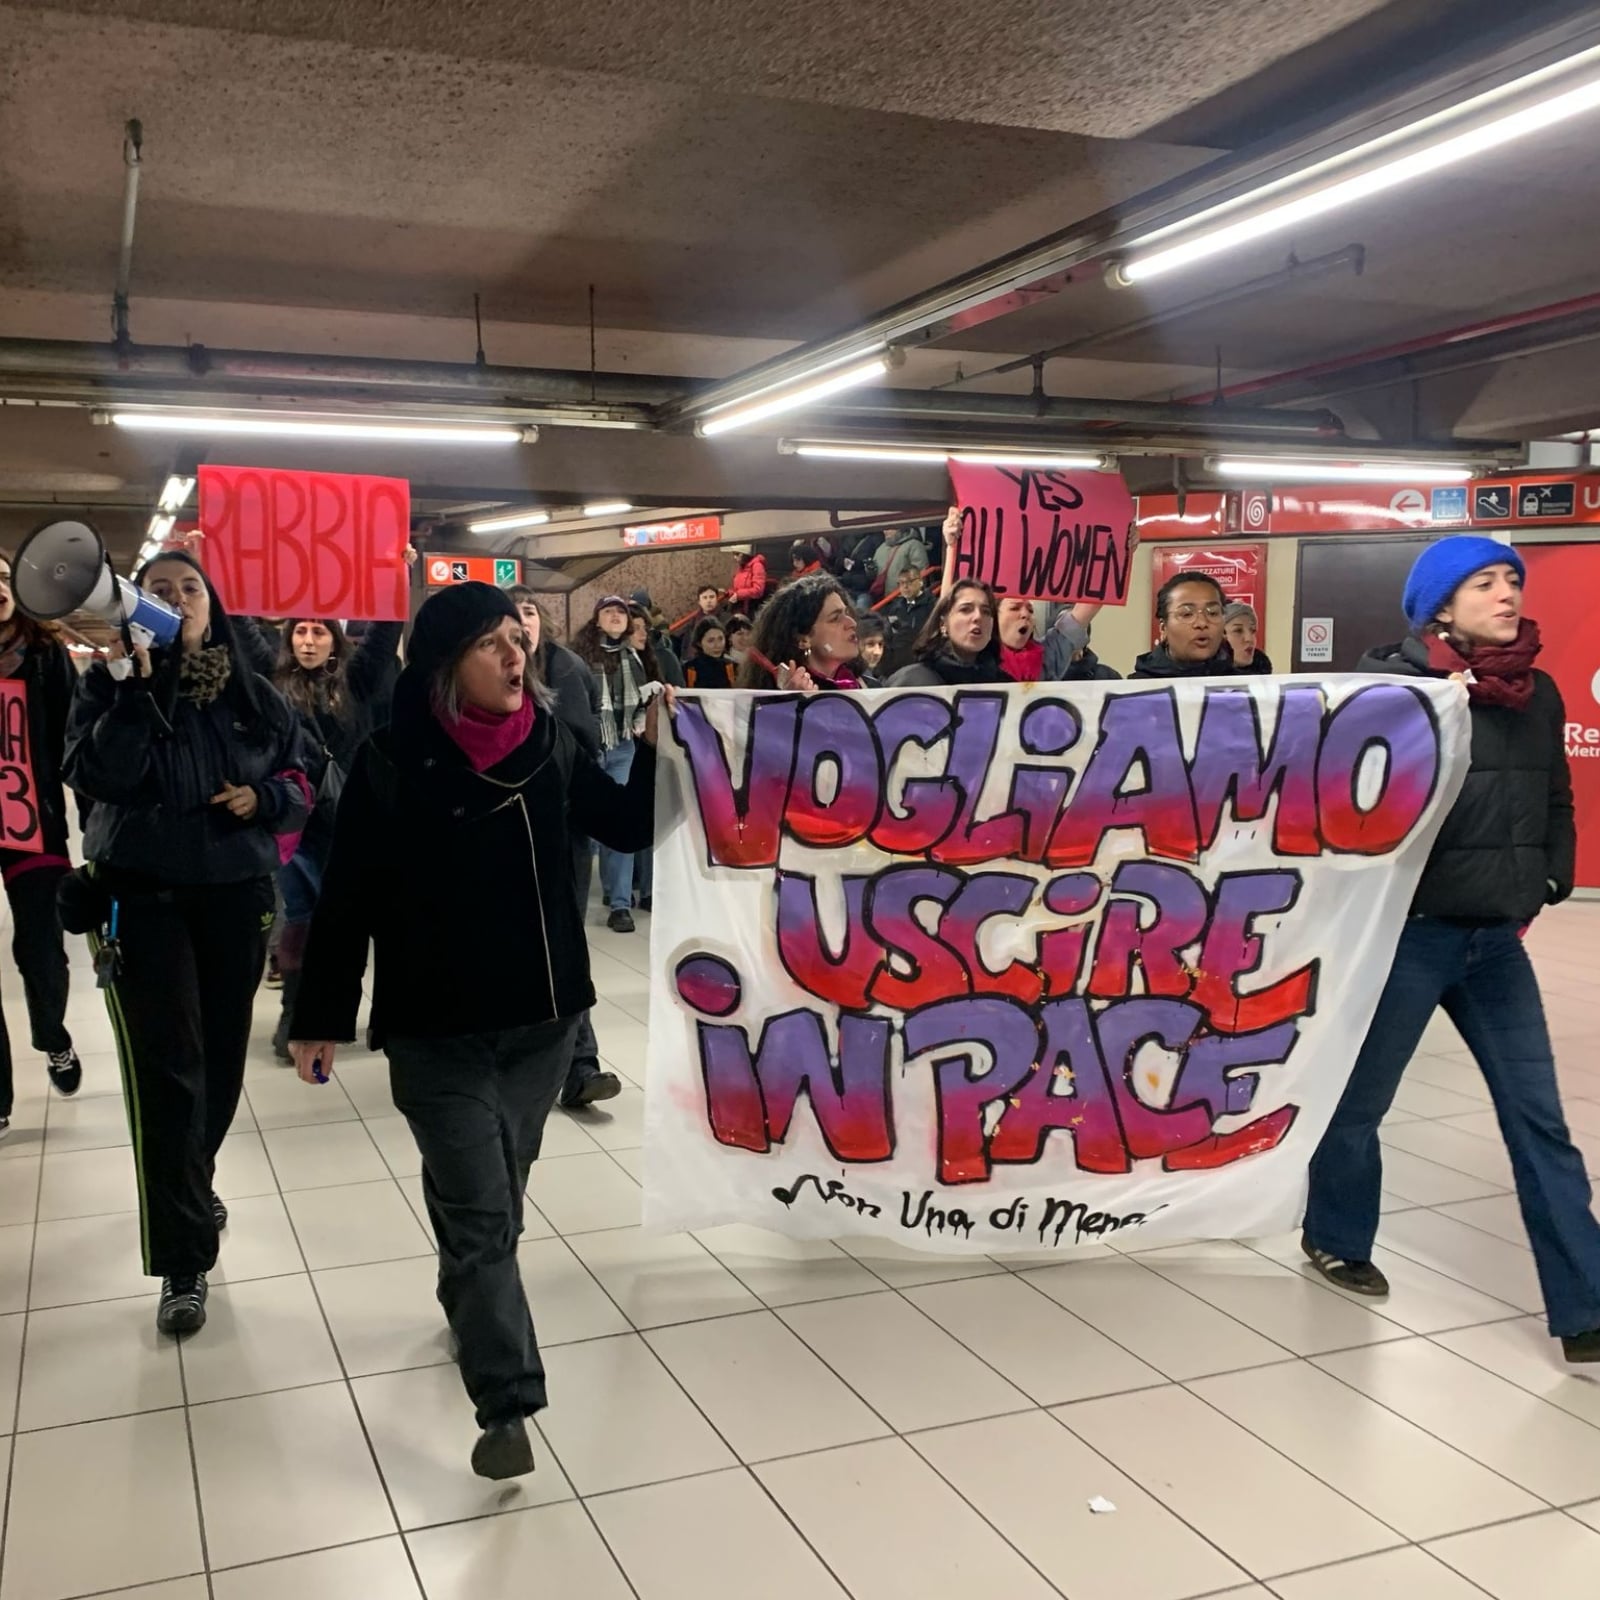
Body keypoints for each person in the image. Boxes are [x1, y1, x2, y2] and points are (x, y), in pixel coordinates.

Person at [289, 584, 664, 1477]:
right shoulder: (387, 760)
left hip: (541, 1022)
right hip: (435, 1029)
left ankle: (469, 1287)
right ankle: (506, 1403)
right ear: (444, 661)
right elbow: (345, 901)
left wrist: (653, 755)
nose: (516, 657)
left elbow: (626, 825)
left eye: (517, 640)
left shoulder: (550, 745)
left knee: (500, 1186)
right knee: (481, 1207)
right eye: (492, 644)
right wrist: (320, 1017)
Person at [1301, 537, 1600, 1364]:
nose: (1507, 593)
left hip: (1495, 945)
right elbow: (1344, 804)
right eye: (1484, 582)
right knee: (1360, 1106)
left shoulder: (1535, 692)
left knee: (1539, 1120)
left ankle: (1585, 1305)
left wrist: (1550, 873)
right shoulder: (1390, 691)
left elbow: (1553, 791)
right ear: (1439, 607)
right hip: (1408, 939)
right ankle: (1335, 1236)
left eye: (1512, 580)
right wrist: (1435, 710)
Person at [62, 550, 308, 1337]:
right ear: (135, 608)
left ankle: (192, 1183)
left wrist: (265, 796)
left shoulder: (252, 694)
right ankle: (182, 1259)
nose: (177, 600)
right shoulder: (105, 689)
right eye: (158, 591)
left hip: (236, 901)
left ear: (213, 605)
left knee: (221, 1068)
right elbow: (91, 773)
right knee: (166, 1079)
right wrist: (136, 694)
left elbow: (308, 777)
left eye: (190, 588)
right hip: (144, 904)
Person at [264, 613, 405, 1061]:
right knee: (300, 921)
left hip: (351, 825)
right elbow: (241, 632)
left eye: (319, 631)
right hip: (297, 830)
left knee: (361, 920)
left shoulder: (356, 681)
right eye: (300, 632)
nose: (308, 641)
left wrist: (394, 577)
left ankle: (388, 1010)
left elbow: (385, 635)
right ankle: (296, 1014)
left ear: (335, 638)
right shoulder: (272, 683)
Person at [0, 551, 84, 1134]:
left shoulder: (46, 652)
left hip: (32, 825)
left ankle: (52, 1035)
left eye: (2, 577)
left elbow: (76, 735)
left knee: (41, 952)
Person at [572, 596, 656, 932]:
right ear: (596, 620)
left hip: (623, 747)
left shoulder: (634, 657)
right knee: (590, 827)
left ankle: (620, 903)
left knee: (620, 821)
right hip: (590, 749)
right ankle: (607, 891)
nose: (617, 616)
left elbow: (641, 703)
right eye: (609, 611)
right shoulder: (578, 658)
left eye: (621, 612)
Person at [737, 574, 861, 692]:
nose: (852, 623)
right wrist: (794, 704)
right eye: (835, 618)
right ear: (803, 640)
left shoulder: (863, 684)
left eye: (847, 613)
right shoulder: (776, 699)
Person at [888, 580, 1012, 687]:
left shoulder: (1007, 686)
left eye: (986, 611)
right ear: (943, 623)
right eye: (965, 609)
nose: (978, 617)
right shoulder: (912, 681)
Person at [1131, 573, 1238, 679]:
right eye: (1187, 614)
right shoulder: (1135, 690)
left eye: (1213, 613)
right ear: (1163, 629)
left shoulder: (1248, 688)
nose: (1202, 623)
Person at [879, 566, 935, 678]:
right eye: (901, 583)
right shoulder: (895, 607)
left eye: (909, 581)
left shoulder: (933, 605)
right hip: (897, 662)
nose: (905, 586)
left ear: (920, 582)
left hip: (921, 661)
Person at [1042, 614, 1121, 681]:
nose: (1070, 632)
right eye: (1064, 627)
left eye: (1077, 628)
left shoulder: (1108, 676)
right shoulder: (1040, 676)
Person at [872, 524, 931, 599]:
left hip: (905, 599)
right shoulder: (880, 548)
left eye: (889, 527)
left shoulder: (914, 545)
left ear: (900, 528)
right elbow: (874, 576)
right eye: (884, 528)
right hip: (882, 599)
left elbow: (921, 572)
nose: (885, 531)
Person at [996, 598, 1045, 683]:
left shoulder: (1045, 658)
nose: (1026, 614)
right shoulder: (977, 659)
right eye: (1015, 608)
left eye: (1030, 610)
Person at [683, 616, 738, 689]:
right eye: (711, 640)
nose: (717, 645)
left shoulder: (733, 667)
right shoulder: (688, 669)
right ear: (699, 643)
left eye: (720, 639)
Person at [1222, 602, 1273, 674]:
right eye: (1238, 631)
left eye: (1252, 631)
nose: (1249, 639)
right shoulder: (1203, 679)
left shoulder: (1268, 682)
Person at [675, 585, 723, 657]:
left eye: (712, 597)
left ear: (717, 599)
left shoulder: (724, 618)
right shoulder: (694, 620)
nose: (708, 600)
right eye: (705, 598)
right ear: (699, 602)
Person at [855, 615, 887, 686]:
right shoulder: (848, 681)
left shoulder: (880, 680)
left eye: (880, 644)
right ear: (855, 643)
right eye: (870, 644)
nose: (877, 652)